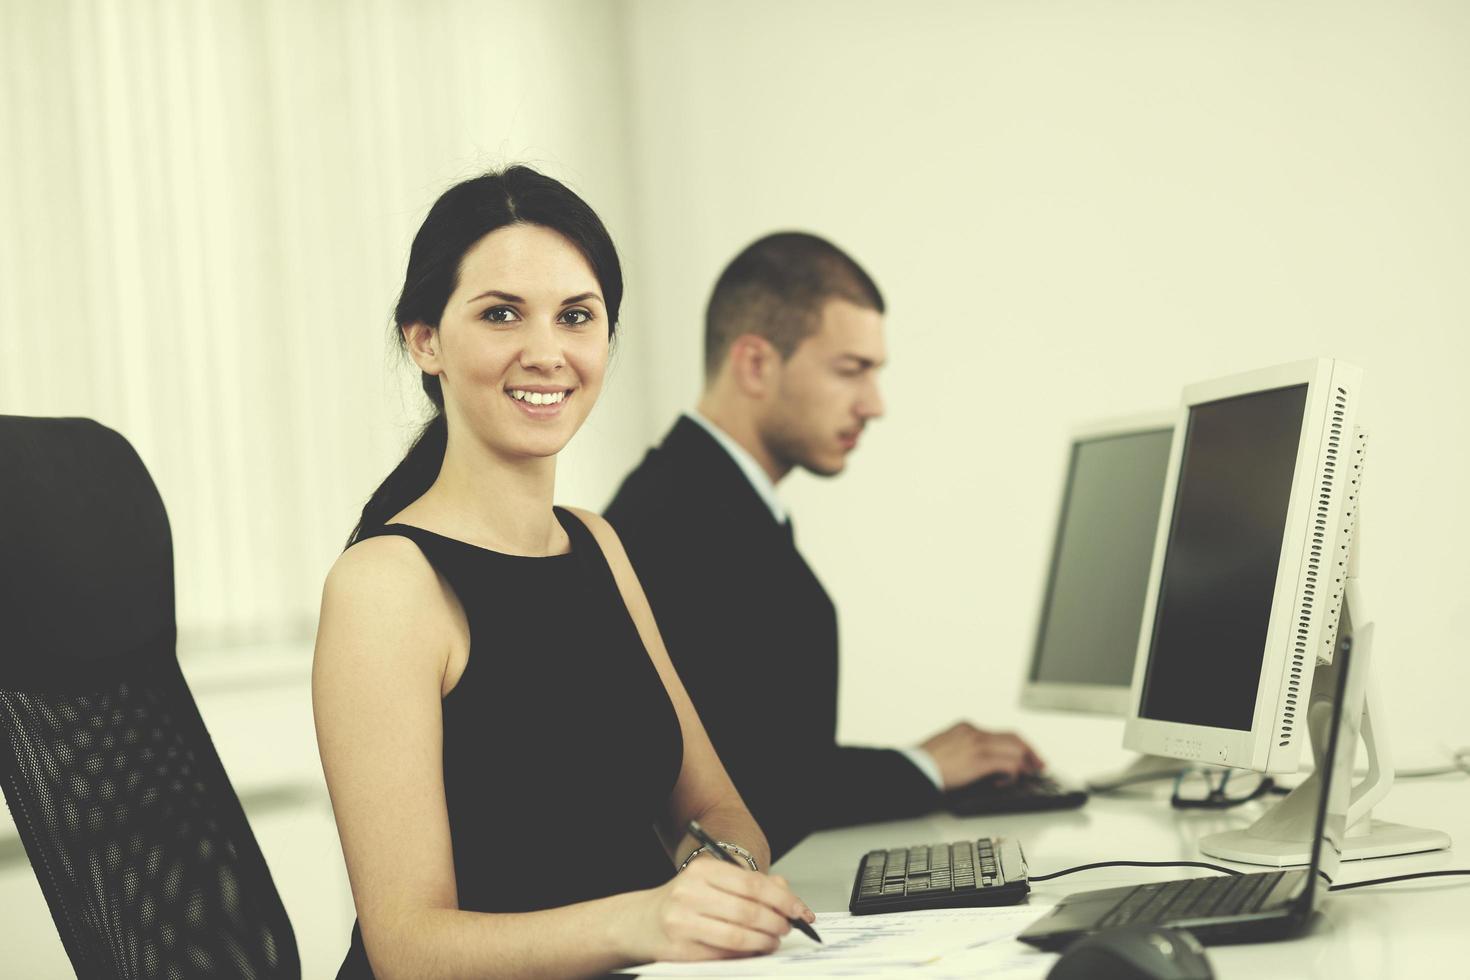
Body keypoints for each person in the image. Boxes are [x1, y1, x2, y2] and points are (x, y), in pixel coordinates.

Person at [312, 168, 815, 979]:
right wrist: (646, 920)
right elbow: (405, 946)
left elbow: (718, 809)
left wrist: (722, 887)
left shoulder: (598, 544)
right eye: (502, 313)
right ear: (425, 340)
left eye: (577, 317)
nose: (546, 352)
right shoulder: (387, 586)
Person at [604, 232, 1046, 860]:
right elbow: (750, 786)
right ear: (755, 364)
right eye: (851, 371)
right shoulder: (681, 525)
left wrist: (922, 764)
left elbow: (767, 752)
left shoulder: (706, 498)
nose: (875, 405)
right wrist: (921, 768)